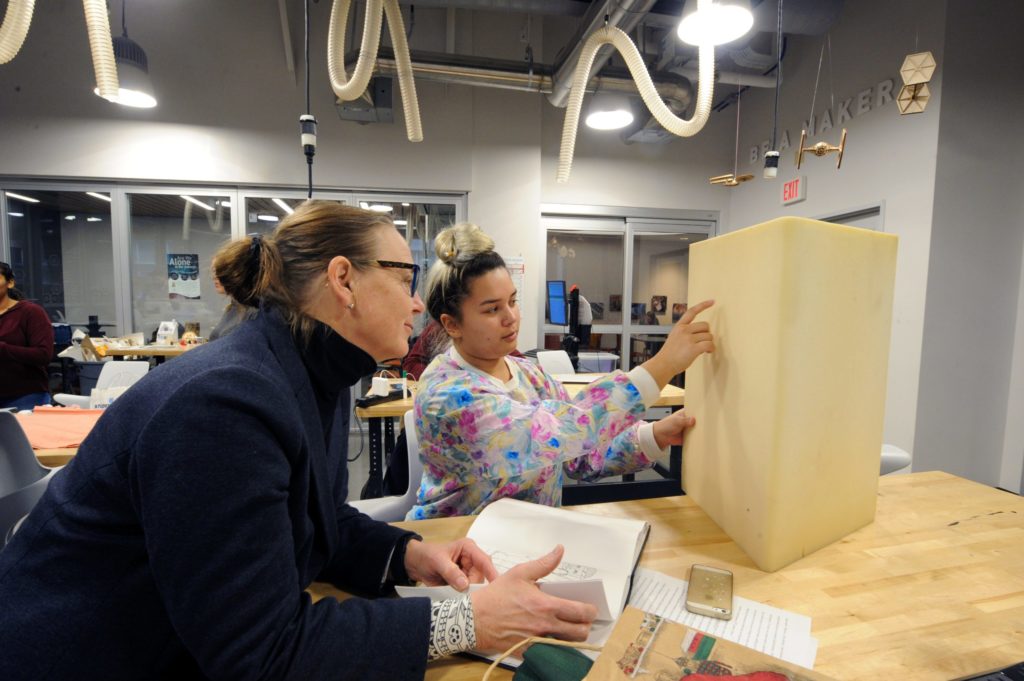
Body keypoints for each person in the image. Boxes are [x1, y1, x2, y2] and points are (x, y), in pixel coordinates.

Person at [0, 202, 597, 680]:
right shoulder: (224, 404)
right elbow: (260, 655)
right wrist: (463, 621)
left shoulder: (313, 373)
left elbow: (313, 520)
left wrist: (407, 555)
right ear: (344, 280)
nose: (419, 302)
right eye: (406, 278)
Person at [409, 223, 714, 519]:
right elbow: (567, 430)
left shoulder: (529, 374)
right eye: (492, 309)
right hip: (458, 549)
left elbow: (578, 454)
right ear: (452, 324)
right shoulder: (447, 395)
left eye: (513, 302)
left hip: (527, 544)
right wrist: (664, 364)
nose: (511, 317)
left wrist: (653, 434)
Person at [0, 261, 55, 410]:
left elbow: (43, 354)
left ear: (10, 283)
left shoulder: (30, 312)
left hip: (25, 396)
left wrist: (3, 349)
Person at [207, 254, 256, 341]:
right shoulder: (233, 308)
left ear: (237, 274)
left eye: (219, 272)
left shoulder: (252, 312)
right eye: (214, 272)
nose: (214, 277)